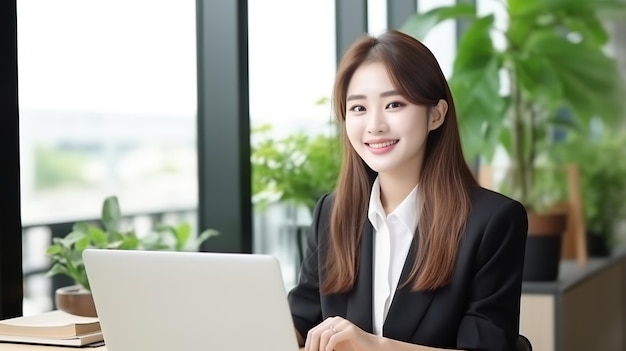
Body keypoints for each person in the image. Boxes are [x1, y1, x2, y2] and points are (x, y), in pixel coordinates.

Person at [287, 29, 528, 351]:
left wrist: (373, 346)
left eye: (394, 104)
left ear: (436, 115)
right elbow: (301, 322)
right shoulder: (332, 214)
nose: (374, 125)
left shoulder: (492, 221)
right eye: (358, 109)